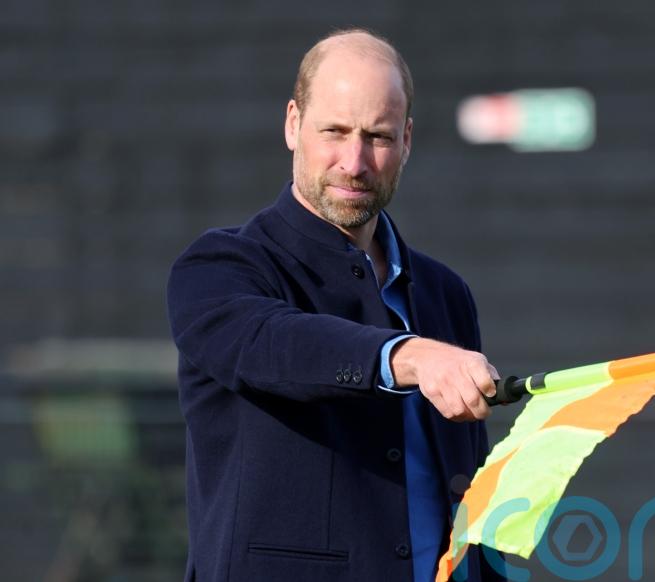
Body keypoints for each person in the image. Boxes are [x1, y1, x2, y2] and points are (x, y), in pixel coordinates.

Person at [167, 28, 506, 582]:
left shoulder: (446, 294)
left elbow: (468, 492)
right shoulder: (219, 268)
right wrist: (408, 356)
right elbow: (273, 344)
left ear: (407, 141)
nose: (355, 161)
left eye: (377, 135)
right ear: (293, 124)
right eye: (335, 131)